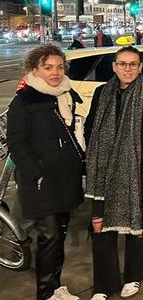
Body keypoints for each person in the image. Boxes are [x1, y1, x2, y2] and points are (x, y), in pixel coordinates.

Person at [84, 46, 143, 299]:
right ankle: (104, 283)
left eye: (133, 64)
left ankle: (134, 276)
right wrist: (103, 155)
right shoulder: (102, 93)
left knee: (139, 228)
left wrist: (129, 155)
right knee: (101, 229)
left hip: (139, 171)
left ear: (141, 67)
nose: (127, 69)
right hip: (104, 174)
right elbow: (90, 128)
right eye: (122, 64)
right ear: (114, 66)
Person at [7, 45, 85, 300]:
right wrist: (35, 173)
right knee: (49, 235)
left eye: (60, 67)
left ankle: (56, 286)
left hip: (66, 176)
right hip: (41, 181)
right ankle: (44, 293)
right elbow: (17, 143)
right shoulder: (24, 100)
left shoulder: (65, 93)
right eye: (48, 67)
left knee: (59, 234)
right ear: (35, 69)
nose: (55, 72)